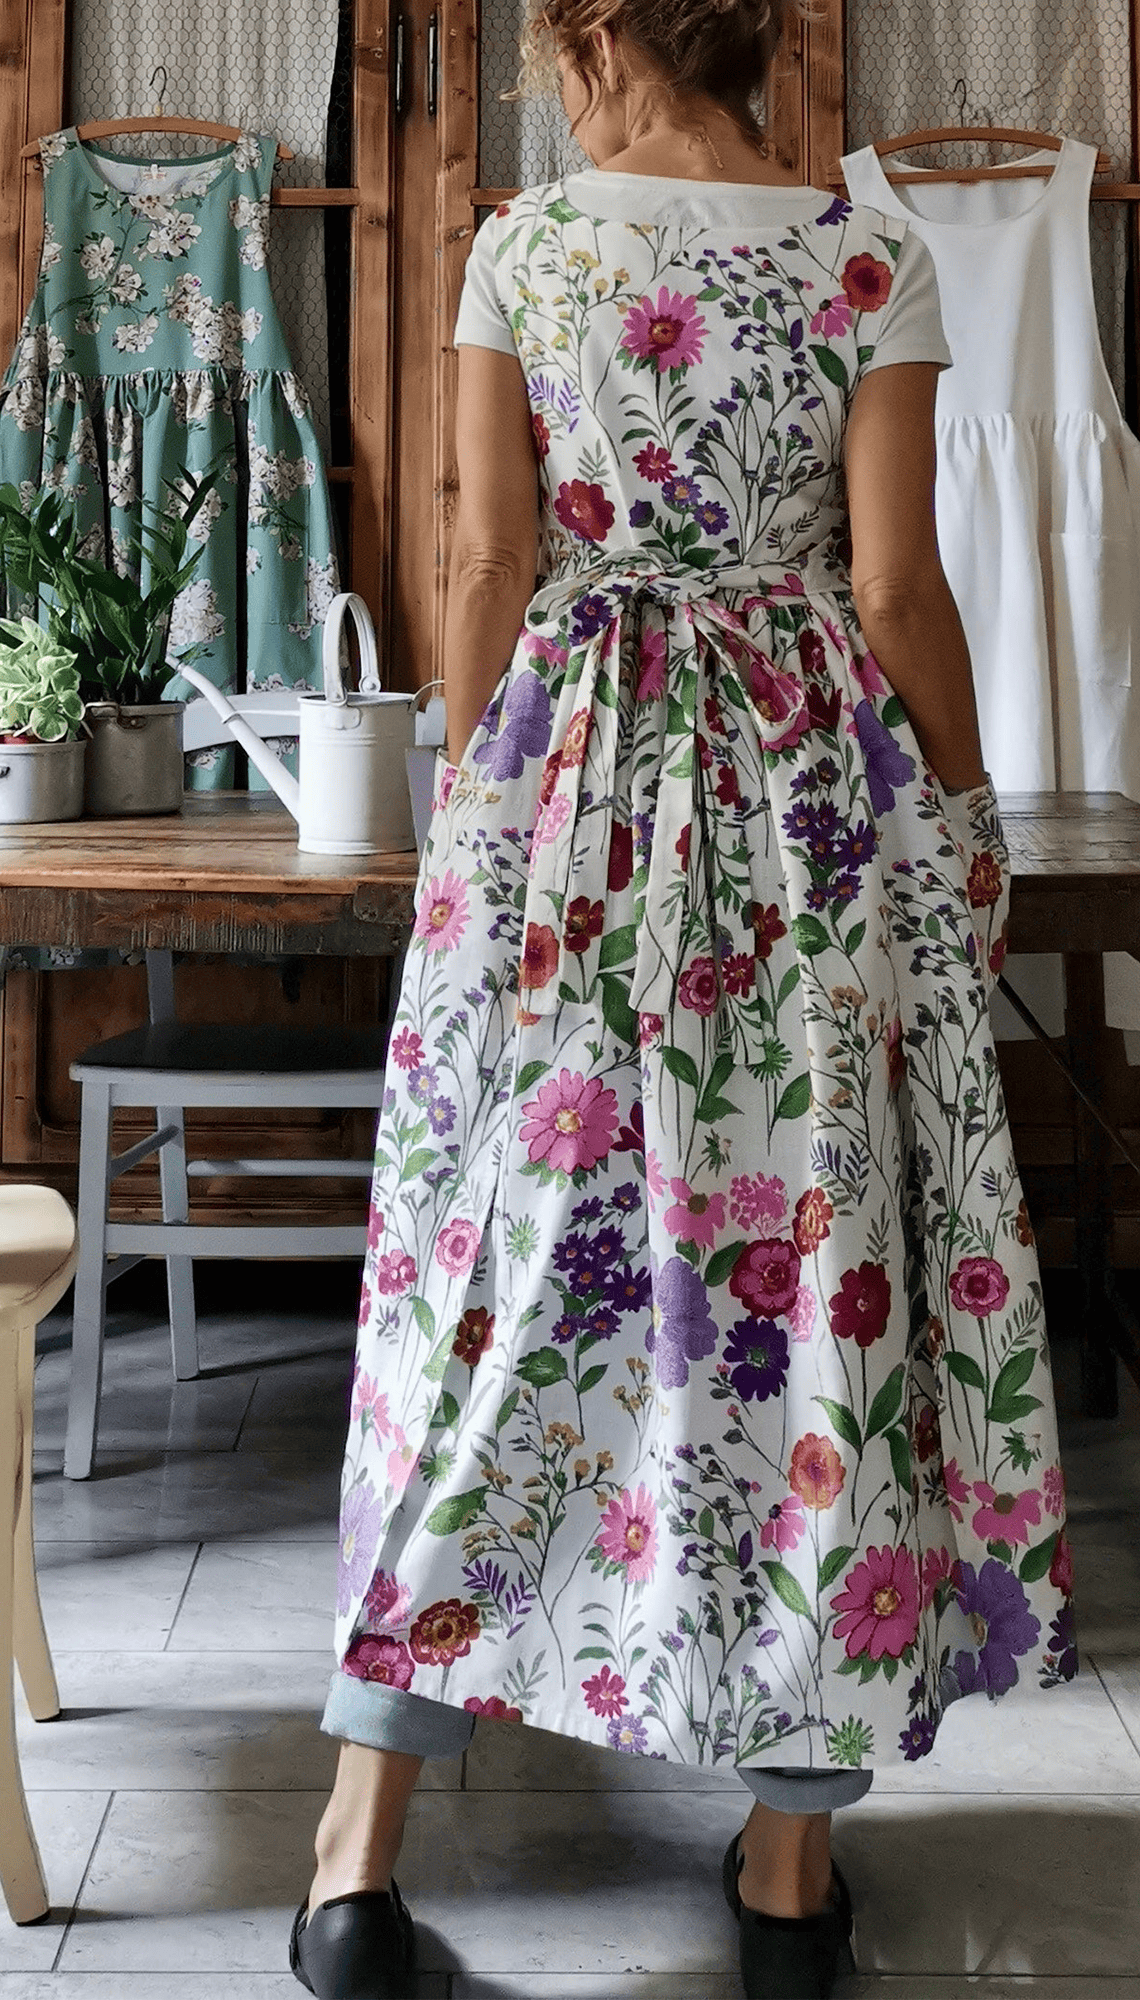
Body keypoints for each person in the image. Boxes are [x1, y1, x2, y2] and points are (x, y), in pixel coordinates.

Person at [289, 3, 1077, 1995]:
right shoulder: (865, 253)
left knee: (501, 1268)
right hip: (810, 814)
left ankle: (355, 1863)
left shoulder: (529, 246)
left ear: (595, 37)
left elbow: (486, 561)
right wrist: (965, 808)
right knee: (816, 1267)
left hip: (574, 799)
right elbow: (893, 588)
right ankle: (790, 1882)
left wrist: (477, 817)